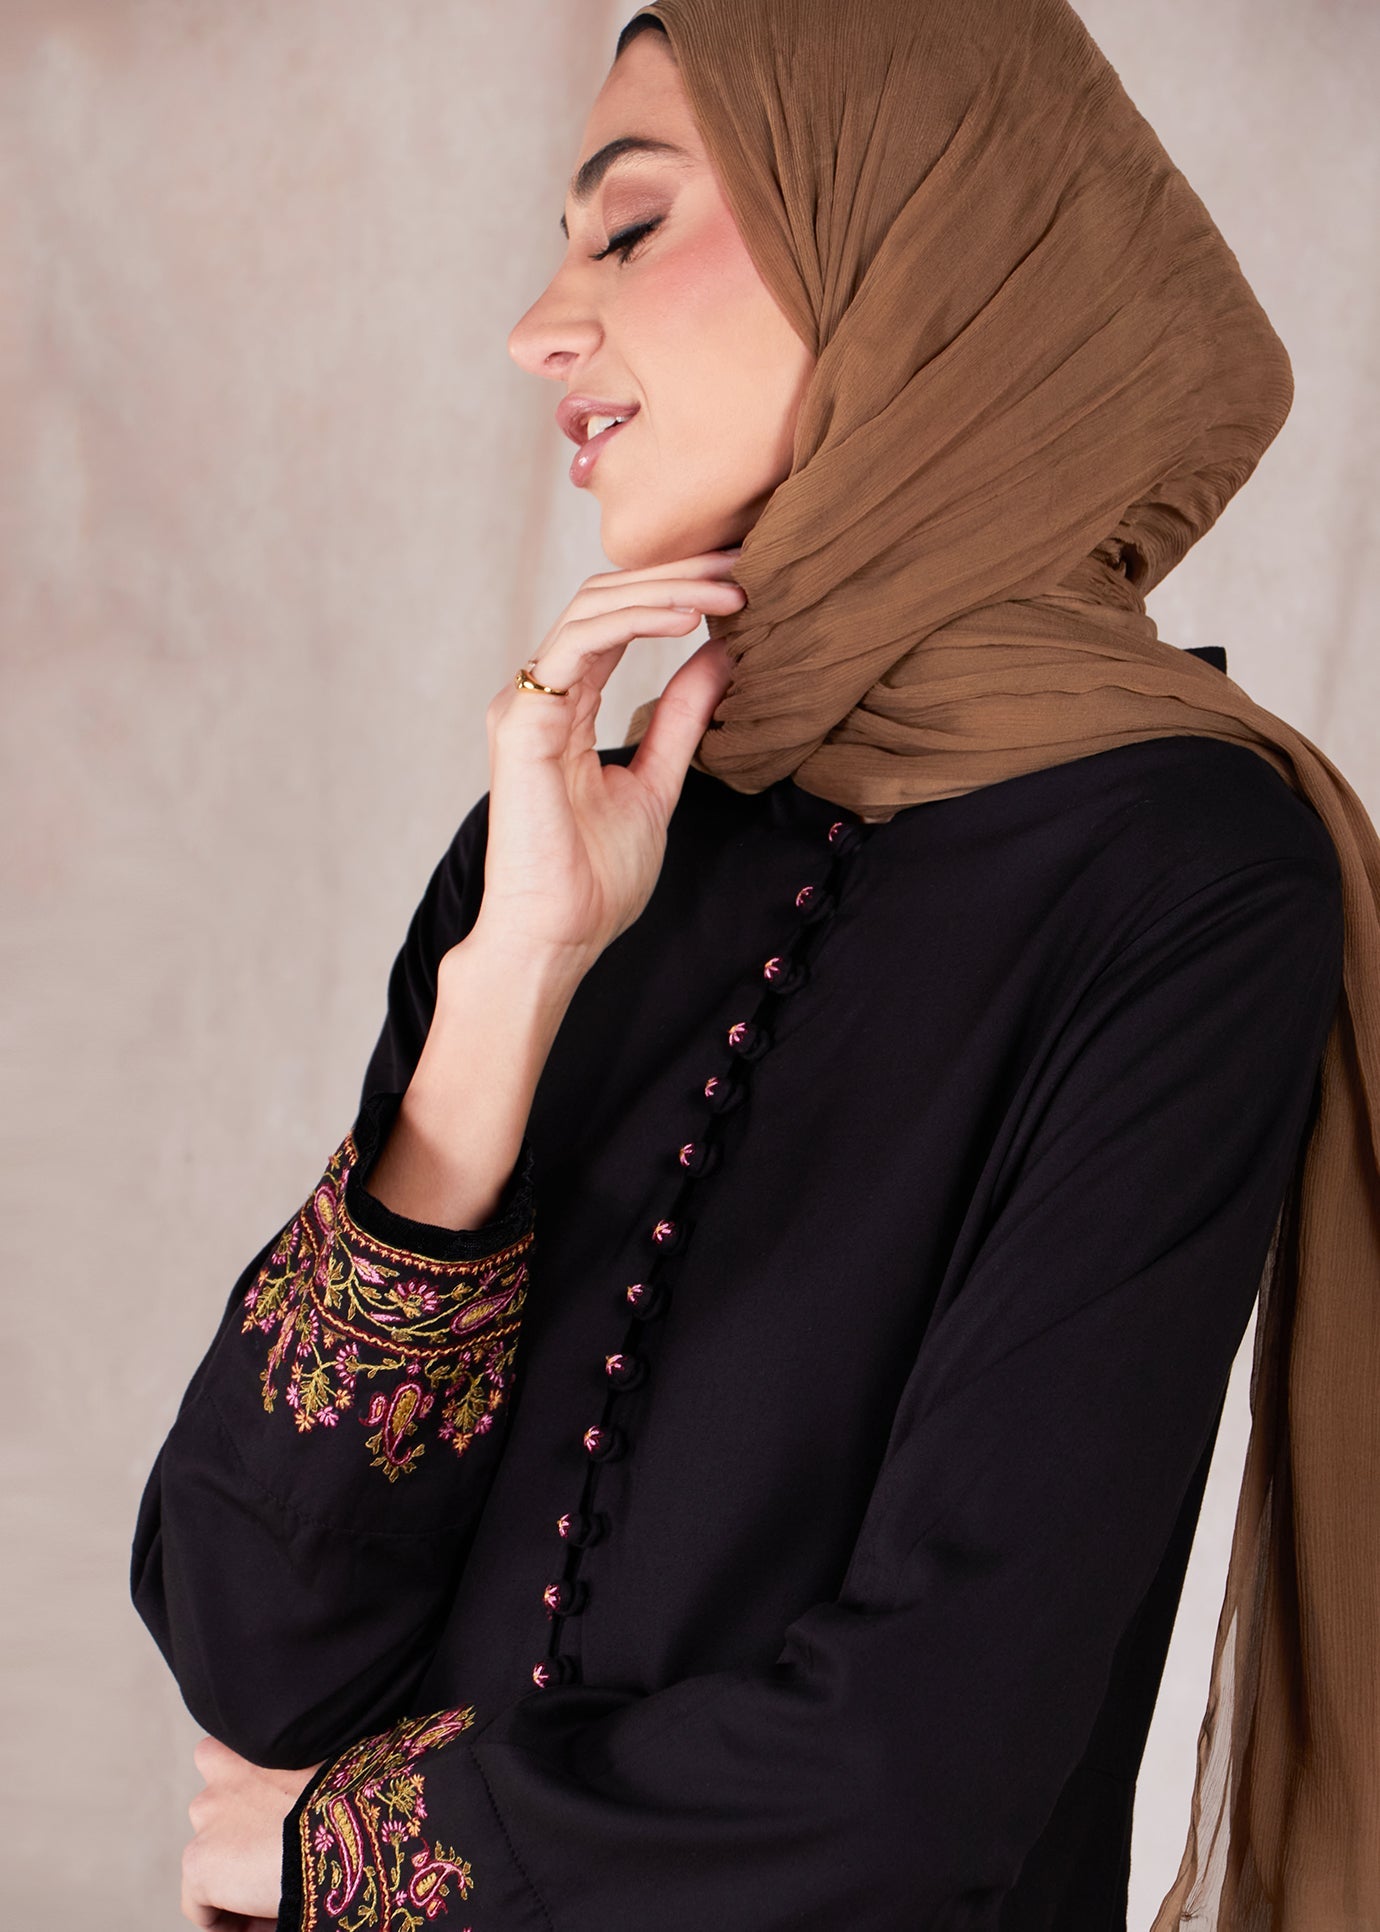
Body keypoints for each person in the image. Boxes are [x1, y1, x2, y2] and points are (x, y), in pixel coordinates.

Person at [131, 4, 1380, 1929]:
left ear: (913, 256)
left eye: (628, 228)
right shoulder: (583, 832)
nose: (537, 327)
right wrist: (507, 984)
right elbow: (252, 1641)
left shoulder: (1183, 877)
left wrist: (351, 1853)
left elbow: (924, 1771)